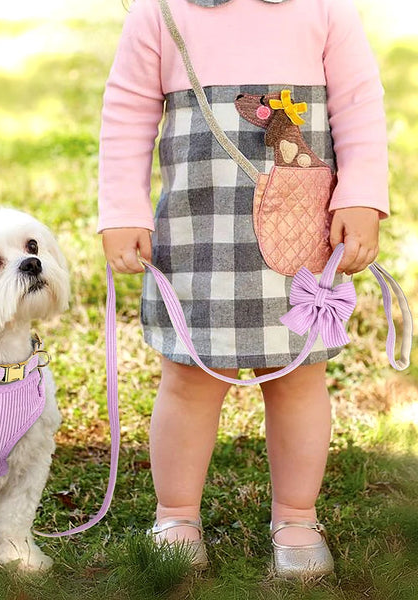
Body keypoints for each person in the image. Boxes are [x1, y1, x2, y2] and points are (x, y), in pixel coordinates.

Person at [97, 0, 388, 578]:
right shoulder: (161, 12)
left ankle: (297, 515)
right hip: (197, 228)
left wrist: (360, 196)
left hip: (299, 235)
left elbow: (359, 103)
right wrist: (123, 208)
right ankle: (176, 513)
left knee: (300, 377)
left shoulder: (326, 8)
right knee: (190, 377)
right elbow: (126, 111)